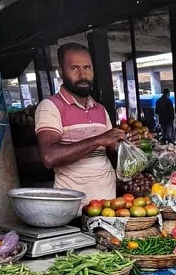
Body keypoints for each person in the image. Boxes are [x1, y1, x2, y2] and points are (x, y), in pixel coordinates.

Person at [34, 43, 126, 207]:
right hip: (75, 210)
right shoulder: (51, 106)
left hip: (110, 207)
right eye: (74, 68)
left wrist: (127, 146)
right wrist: (98, 140)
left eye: (87, 68)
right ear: (61, 72)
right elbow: (49, 157)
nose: (83, 75)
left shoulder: (100, 109)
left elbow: (112, 155)